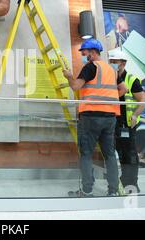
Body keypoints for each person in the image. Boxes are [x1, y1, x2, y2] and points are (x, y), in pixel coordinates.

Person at [63, 38, 120, 197]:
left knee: (86, 153)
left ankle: (87, 191)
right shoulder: (111, 69)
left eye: (84, 52)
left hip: (91, 116)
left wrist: (68, 76)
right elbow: (120, 88)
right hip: (110, 117)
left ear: (93, 52)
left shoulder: (90, 67)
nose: (83, 55)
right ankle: (113, 191)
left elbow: (75, 86)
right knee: (109, 154)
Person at [109, 50, 145, 193]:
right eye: (111, 61)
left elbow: (142, 101)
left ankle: (131, 184)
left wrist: (135, 115)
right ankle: (119, 181)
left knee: (129, 153)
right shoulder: (110, 79)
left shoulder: (132, 79)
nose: (112, 64)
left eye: (115, 62)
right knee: (116, 152)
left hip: (127, 123)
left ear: (123, 63)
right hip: (112, 122)